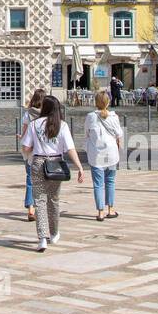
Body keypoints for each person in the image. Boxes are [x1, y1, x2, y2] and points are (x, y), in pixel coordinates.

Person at [22, 93, 85, 251]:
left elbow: (26, 147)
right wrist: (79, 166)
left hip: (38, 162)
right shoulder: (62, 125)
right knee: (54, 200)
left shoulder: (34, 124)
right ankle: (54, 233)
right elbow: (70, 148)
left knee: (40, 202)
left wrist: (30, 151)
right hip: (56, 163)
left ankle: (42, 237)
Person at [85, 89, 124, 221]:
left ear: (95, 102)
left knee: (98, 184)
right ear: (108, 102)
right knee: (110, 181)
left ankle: (100, 211)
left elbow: (87, 133)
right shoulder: (114, 117)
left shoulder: (91, 117)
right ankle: (111, 209)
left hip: (96, 154)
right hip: (112, 153)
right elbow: (119, 135)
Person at [18, 90, 45, 222]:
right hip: (43, 150)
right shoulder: (47, 115)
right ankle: (41, 206)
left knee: (30, 179)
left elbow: (24, 131)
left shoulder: (28, 114)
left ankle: (30, 209)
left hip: (29, 149)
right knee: (43, 180)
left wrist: (21, 137)